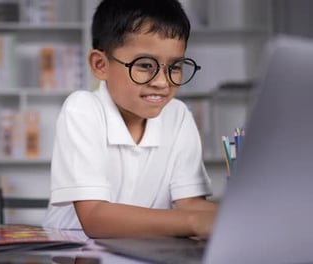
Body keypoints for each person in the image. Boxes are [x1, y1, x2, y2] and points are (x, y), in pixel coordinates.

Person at [43, 0, 217, 240]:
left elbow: (191, 203)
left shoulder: (178, 115)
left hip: (146, 252)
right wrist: (195, 222)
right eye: (145, 65)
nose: (162, 82)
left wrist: (240, 217)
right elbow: (94, 217)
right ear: (100, 65)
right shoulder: (83, 109)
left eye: (175, 67)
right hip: (77, 253)